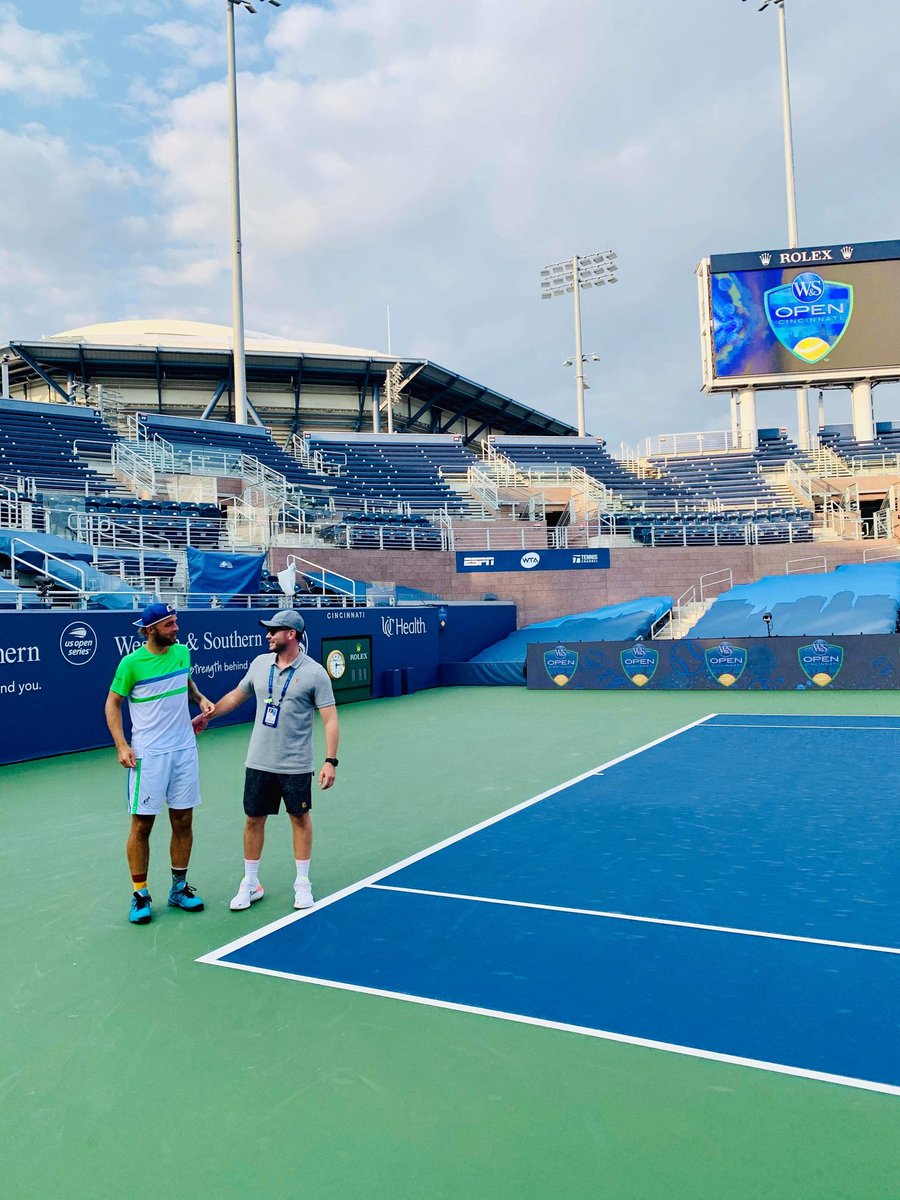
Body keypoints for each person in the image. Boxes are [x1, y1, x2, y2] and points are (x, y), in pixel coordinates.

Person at [194, 609, 338, 912]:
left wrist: (330, 761)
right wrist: (211, 715)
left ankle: (302, 882)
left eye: (274, 630)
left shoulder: (314, 673)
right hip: (258, 761)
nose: (268, 635)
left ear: (292, 635)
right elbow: (237, 695)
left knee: (299, 819)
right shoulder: (260, 664)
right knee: (253, 819)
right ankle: (251, 883)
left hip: (296, 764)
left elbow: (330, 720)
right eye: (268, 630)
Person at [105, 602, 214, 926]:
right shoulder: (131, 664)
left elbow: (187, 684)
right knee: (142, 825)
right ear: (150, 629)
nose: (176, 629)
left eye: (175, 623)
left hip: (184, 749)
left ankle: (178, 888)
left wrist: (200, 699)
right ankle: (140, 894)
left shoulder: (182, 653)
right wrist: (122, 745)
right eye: (169, 625)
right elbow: (112, 705)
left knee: (183, 821)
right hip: (148, 755)